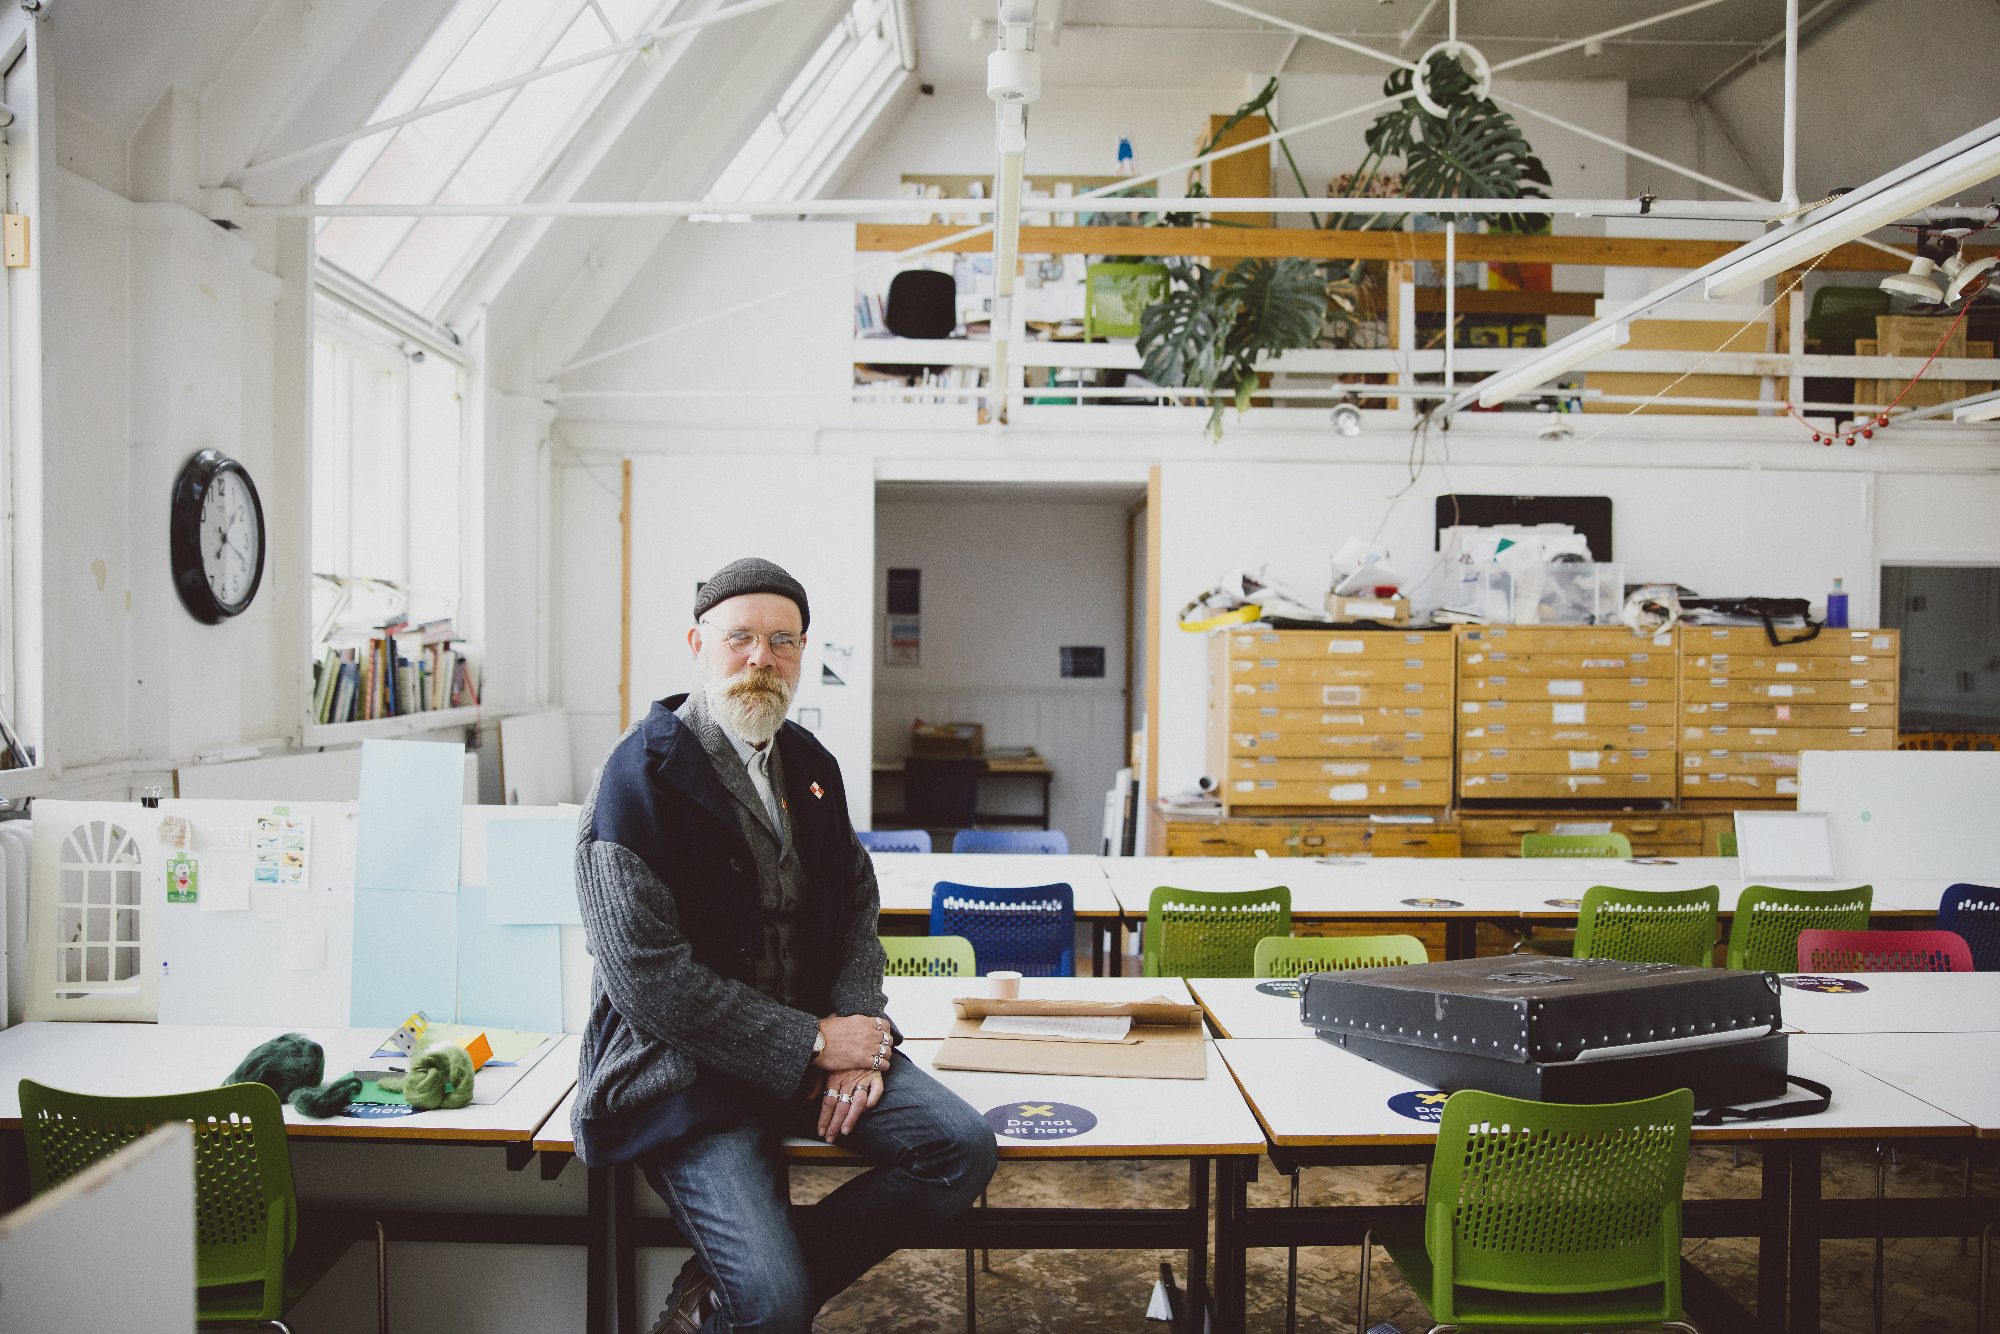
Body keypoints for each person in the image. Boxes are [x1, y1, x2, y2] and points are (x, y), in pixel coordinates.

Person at [573, 556, 997, 1333]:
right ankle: (757, 1291)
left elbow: (856, 905)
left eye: (783, 641)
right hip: (684, 1067)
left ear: (803, 652)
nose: (761, 660)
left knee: (960, 1149)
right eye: (741, 639)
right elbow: (649, 983)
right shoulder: (635, 780)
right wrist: (811, 1040)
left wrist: (859, 1037)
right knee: (773, 1306)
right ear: (698, 644)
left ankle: (724, 1289)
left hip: (812, 1045)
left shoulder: (810, 766)